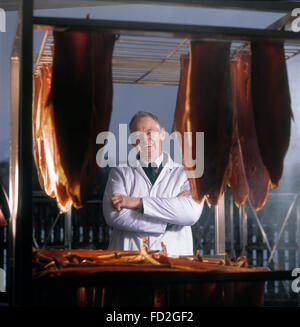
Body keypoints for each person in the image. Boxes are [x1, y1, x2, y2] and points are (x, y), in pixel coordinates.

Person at [102, 111, 203, 255]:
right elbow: (114, 216)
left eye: (150, 132)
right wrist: (168, 221)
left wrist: (138, 203)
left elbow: (190, 213)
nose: (145, 140)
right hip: (128, 263)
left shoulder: (186, 174)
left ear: (162, 134)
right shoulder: (120, 172)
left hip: (174, 262)